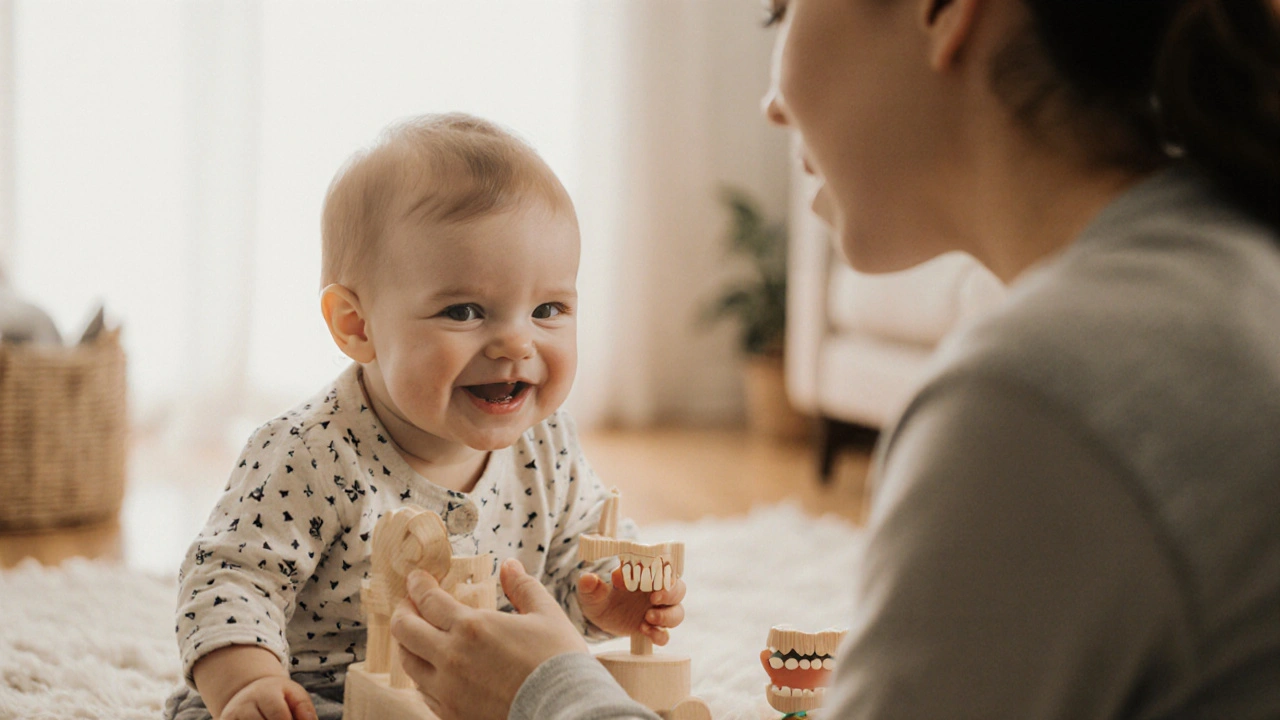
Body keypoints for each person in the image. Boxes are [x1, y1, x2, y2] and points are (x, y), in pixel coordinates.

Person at [390, 0, 1280, 718]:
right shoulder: (1227, 274)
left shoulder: (1040, 397)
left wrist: (546, 695)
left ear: (945, 13)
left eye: (780, 13)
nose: (773, 104)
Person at [163, 113, 686, 720]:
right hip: (324, 698)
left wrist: (602, 602)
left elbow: (562, 590)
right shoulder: (309, 451)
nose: (516, 344)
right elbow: (229, 580)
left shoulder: (550, 446)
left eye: (547, 308)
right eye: (464, 312)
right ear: (357, 326)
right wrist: (248, 684)